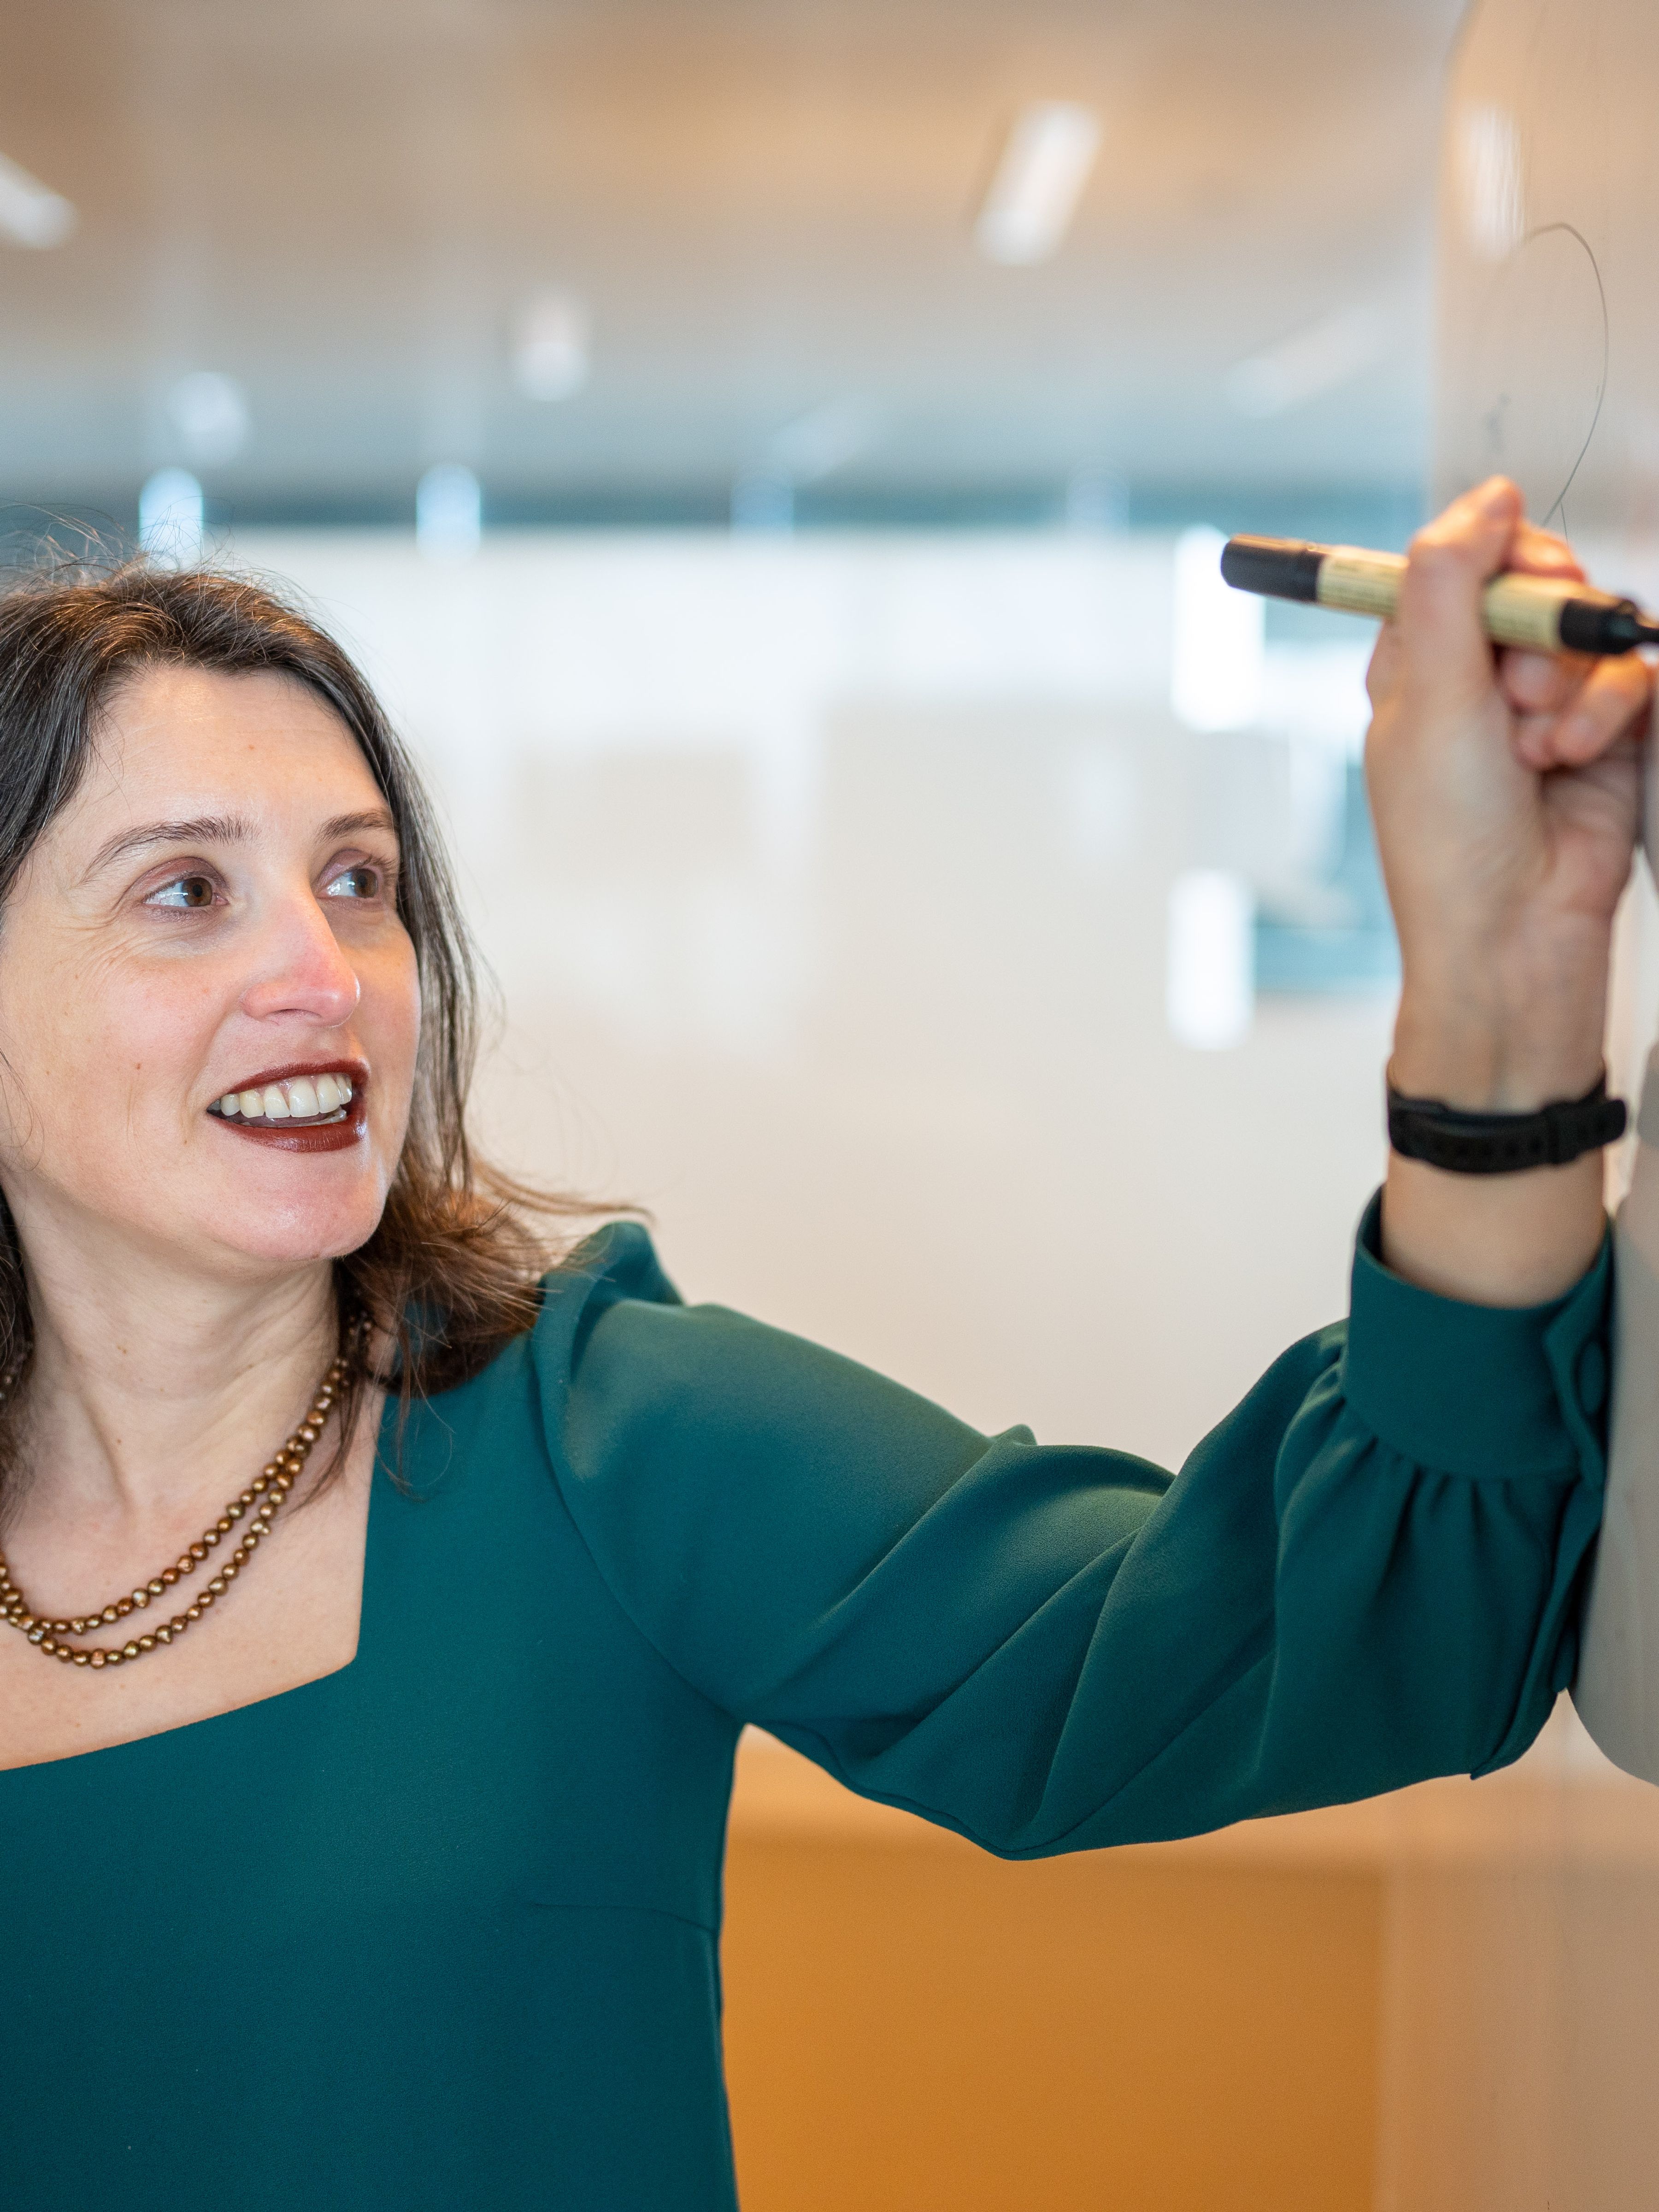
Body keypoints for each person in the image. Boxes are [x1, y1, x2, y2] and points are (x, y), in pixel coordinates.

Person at [0, 478, 1645, 2207]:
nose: (328, 975)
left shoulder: (607, 1442)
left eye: (359, 883)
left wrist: (1502, 975)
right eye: (185, 891)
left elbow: (1332, 1631)